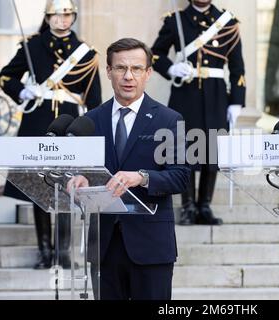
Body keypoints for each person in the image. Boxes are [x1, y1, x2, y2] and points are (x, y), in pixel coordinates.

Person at [69, 38, 190, 300]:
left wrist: (141, 177)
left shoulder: (169, 120)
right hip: (104, 245)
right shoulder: (89, 121)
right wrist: (78, 179)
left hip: (151, 245)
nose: (128, 76)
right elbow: (85, 172)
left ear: (148, 73)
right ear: (109, 71)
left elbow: (181, 176)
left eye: (136, 69)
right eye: (121, 68)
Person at [0, 0, 102, 269]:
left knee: (68, 188)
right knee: (39, 188)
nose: (62, 20)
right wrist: (22, 91)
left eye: (67, 15)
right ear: (48, 17)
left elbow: (95, 100)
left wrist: (92, 133)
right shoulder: (33, 46)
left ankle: (63, 253)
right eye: (57, 15)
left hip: (71, 125)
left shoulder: (86, 54)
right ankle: (45, 251)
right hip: (38, 122)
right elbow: (5, 77)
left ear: (73, 17)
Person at [151, 0, 246, 225]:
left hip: (216, 94)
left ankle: (204, 205)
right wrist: (171, 67)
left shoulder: (228, 22)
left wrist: (236, 102)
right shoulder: (176, 21)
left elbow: (237, 67)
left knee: (212, 149)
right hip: (186, 93)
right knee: (186, 150)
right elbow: (155, 54)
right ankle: (187, 206)